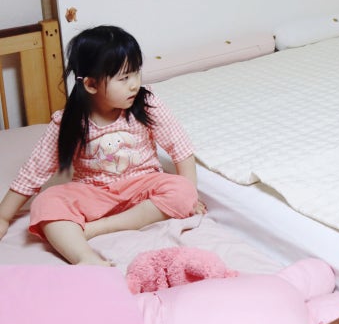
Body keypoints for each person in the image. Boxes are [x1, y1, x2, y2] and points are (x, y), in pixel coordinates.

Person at [0, 25, 206, 265]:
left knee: (182, 190)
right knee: (46, 203)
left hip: (142, 185)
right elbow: (34, 171)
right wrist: (3, 216)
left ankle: (95, 229)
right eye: (124, 78)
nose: (134, 84)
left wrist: (191, 195)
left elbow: (180, 147)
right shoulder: (69, 121)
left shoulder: (147, 103)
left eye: (136, 73)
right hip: (94, 192)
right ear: (91, 84)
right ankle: (85, 257)